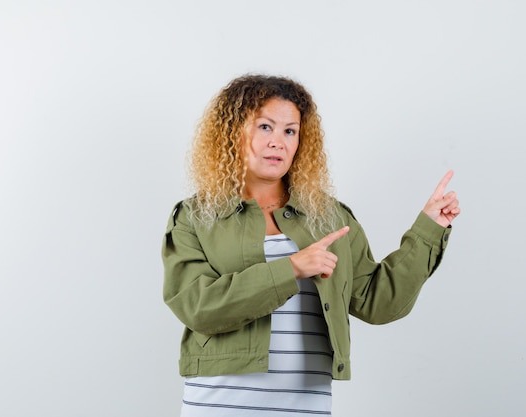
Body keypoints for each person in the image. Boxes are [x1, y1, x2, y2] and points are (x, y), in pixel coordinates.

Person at [162, 74, 460, 416]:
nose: (278, 142)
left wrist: (430, 228)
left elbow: (380, 302)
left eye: (290, 131)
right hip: (219, 406)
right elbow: (197, 306)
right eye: (265, 127)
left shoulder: (328, 217)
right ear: (233, 132)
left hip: (305, 407)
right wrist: (292, 268)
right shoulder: (195, 217)